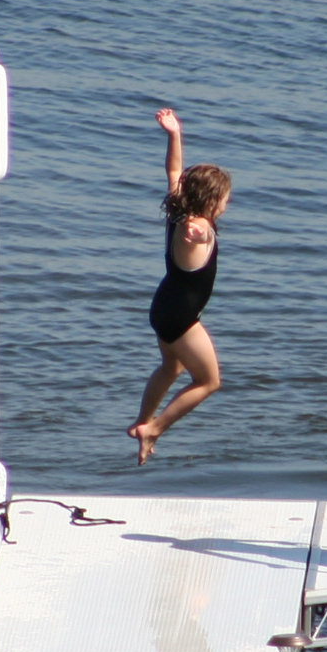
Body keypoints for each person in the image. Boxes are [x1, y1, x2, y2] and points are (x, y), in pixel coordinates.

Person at [128, 108, 230, 464]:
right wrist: (199, 232)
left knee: (172, 367)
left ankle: (141, 421)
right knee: (209, 381)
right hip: (180, 318)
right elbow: (197, 234)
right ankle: (153, 428)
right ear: (212, 201)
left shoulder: (176, 207)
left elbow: (174, 171)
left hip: (163, 306)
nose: (227, 204)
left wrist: (175, 134)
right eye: (225, 198)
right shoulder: (197, 227)